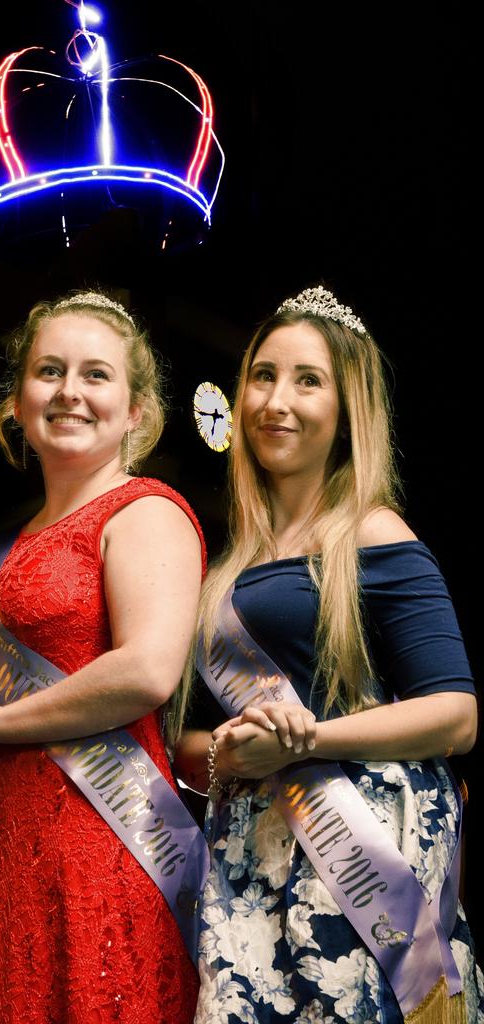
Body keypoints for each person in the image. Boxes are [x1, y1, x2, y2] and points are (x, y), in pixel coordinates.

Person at [175, 286, 483, 1024]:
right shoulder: (221, 568)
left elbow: (456, 715)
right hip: (252, 854)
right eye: (263, 376)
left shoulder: (374, 535)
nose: (277, 400)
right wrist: (226, 757)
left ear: (347, 411)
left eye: (307, 381)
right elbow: (188, 739)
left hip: (362, 849)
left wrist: (307, 739)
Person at [0, 290, 207, 1024]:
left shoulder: (144, 511)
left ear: (137, 410)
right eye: (49, 370)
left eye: (96, 374)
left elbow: (146, 670)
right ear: (16, 402)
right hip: (2, 860)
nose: (70, 391)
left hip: (102, 851)